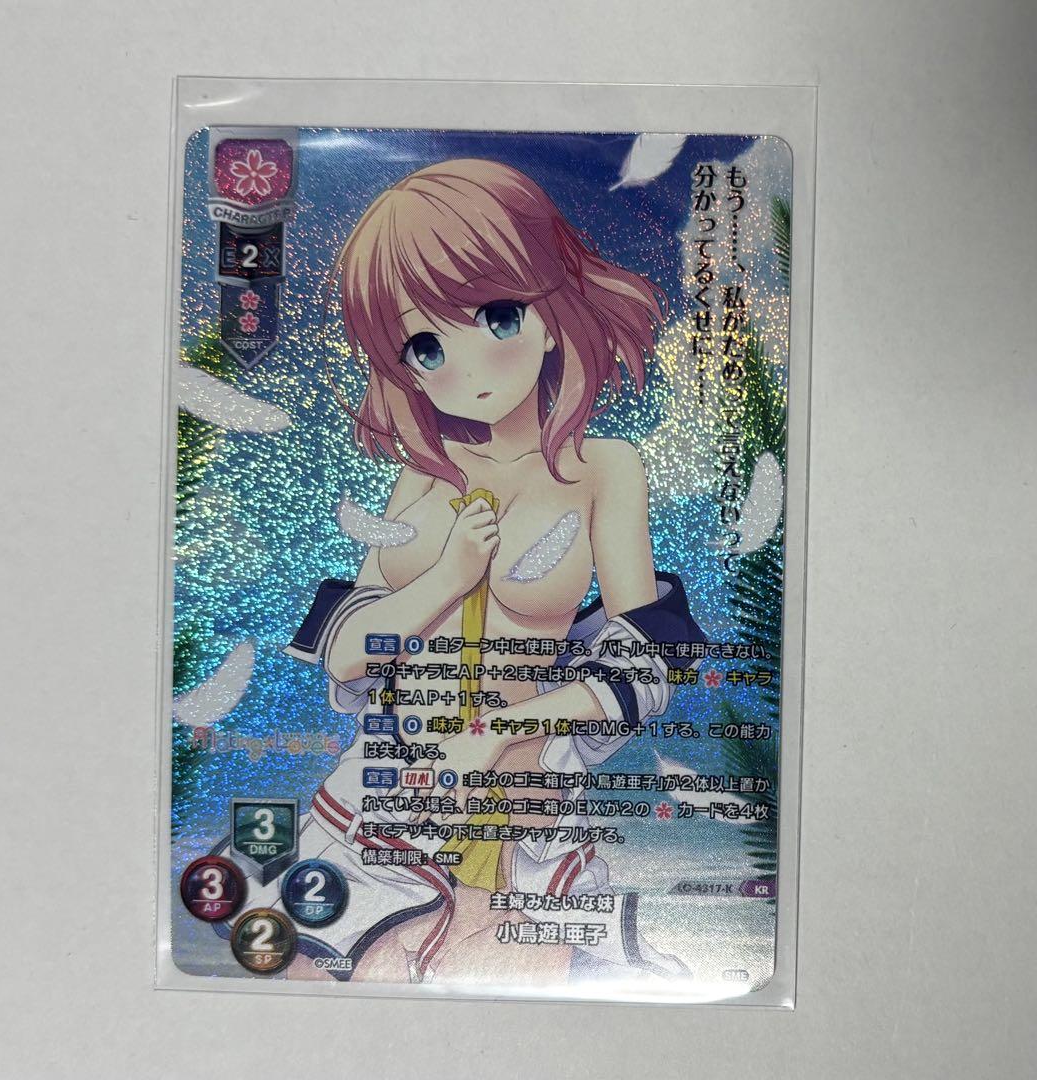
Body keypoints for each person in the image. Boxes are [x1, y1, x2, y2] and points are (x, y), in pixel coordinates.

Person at [226, 158, 705, 985]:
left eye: (498, 315)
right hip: (380, 802)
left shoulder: (602, 469)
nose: (467, 365)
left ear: (552, 315)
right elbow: (348, 656)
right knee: (307, 997)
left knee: (509, 1010)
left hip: (518, 814)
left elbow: (645, 664)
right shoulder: (421, 476)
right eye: (425, 344)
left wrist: (494, 732)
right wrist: (448, 575)